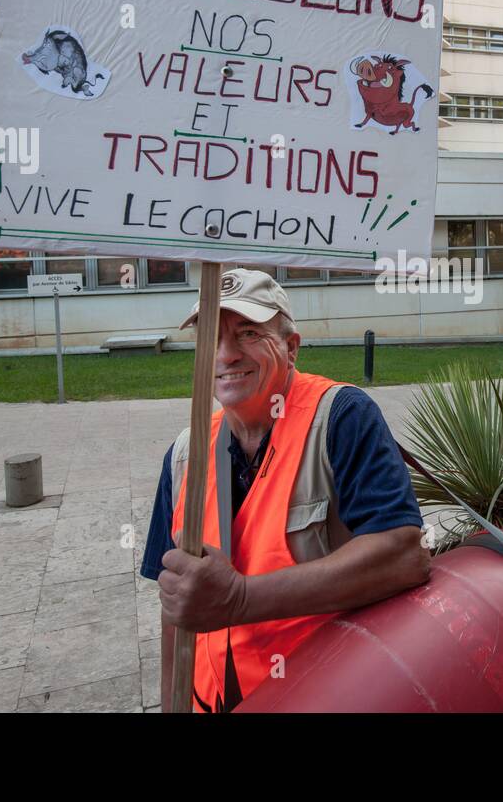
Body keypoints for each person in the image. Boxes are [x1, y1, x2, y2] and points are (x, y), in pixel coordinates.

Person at [141, 268, 428, 712]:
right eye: (210, 338)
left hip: (327, 695)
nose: (226, 354)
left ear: (291, 347)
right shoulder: (184, 456)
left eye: (249, 333)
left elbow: (404, 555)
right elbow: (175, 604)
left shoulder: (341, 417)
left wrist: (239, 600)